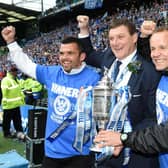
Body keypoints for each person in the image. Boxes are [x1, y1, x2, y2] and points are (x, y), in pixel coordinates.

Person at [1, 26, 100, 168]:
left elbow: (103, 115)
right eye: (61, 53)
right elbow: (26, 65)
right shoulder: (52, 73)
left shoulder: (94, 79)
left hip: (80, 155)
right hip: (52, 152)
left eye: (70, 53)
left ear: (82, 56)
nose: (64, 57)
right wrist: (11, 42)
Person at [77, 16, 161, 168]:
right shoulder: (109, 57)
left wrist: (123, 138)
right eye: (111, 38)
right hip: (104, 149)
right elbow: (88, 54)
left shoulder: (149, 72)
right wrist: (84, 28)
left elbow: (152, 118)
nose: (115, 43)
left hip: (134, 156)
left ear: (134, 37)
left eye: (121, 37)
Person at [94, 27, 168, 168]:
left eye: (163, 48)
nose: (156, 54)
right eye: (153, 49)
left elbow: (164, 135)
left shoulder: (154, 74)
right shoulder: (163, 74)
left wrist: (123, 138)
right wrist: (144, 36)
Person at [1, 64, 25, 139]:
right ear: (11, 72)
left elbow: (19, 90)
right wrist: (5, 102)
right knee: (7, 121)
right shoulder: (6, 80)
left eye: (16, 71)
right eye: (15, 71)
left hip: (16, 104)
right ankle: (6, 133)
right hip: (8, 105)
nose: (16, 73)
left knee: (17, 120)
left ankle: (20, 132)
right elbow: (3, 92)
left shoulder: (16, 80)